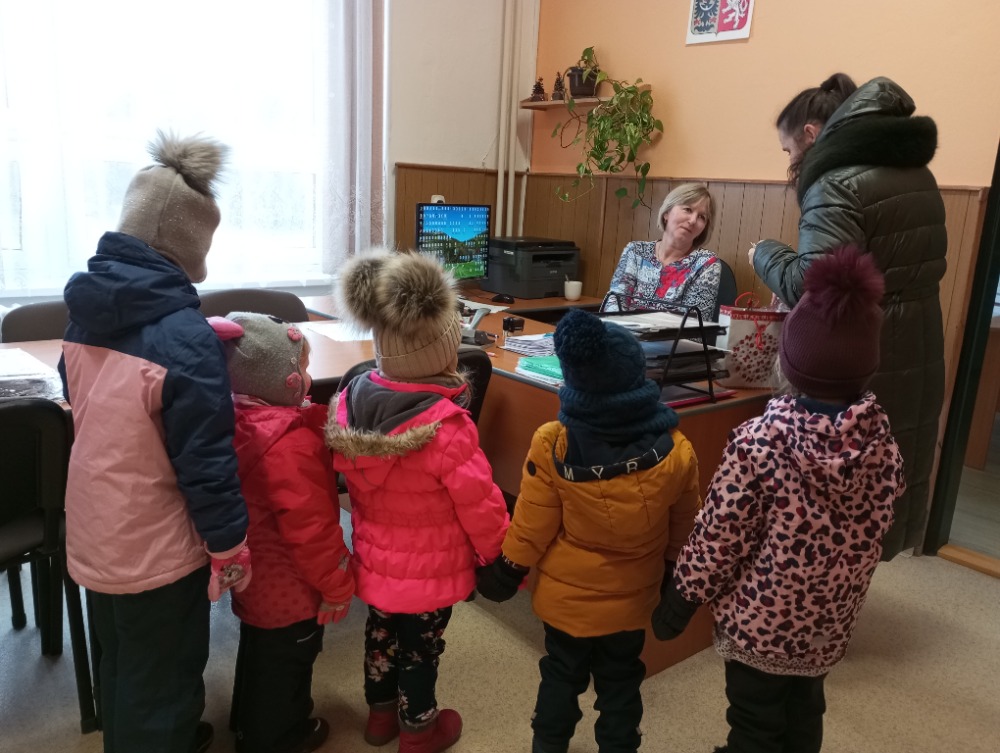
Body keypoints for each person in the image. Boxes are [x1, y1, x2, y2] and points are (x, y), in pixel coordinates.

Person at [653, 247, 906, 753]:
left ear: (789, 362)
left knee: (754, 721)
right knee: (805, 709)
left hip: (760, 626)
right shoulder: (884, 446)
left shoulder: (760, 442)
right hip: (828, 624)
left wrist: (681, 599)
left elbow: (719, 536)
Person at [59, 131, 250, 753]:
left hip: (94, 529)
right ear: (191, 249)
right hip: (156, 549)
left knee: (119, 658)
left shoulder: (81, 316)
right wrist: (229, 544)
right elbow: (207, 462)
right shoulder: (187, 339)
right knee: (165, 674)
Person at [477, 307, 701, 753]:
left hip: (567, 602)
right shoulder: (677, 449)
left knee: (561, 675)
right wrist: (677, 581)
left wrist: (507, 569)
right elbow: (685, 529)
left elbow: (532, 525)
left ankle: (548, 744)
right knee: (622, 682)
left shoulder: (552, 441)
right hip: (633, 600)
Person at [749, 73, 947, 558]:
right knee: (882, 477)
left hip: (861, 349)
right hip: (919, 337)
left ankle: (809, 593)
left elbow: (812, 284)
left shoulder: (836, 182)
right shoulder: (913, 171)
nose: (790, 162)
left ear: (811, 135)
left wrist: (765, 253)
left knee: (832, 495)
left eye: (788, 150)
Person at [324, 250, 510, 753]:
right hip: (432, 572)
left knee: (380, 640)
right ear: (443, 356)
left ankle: (380, 719)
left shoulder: (348, 407)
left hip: (376, 563)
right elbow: (481, 505)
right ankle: (419, 732)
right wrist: (500, 557)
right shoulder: (448, 429)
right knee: (420, 652)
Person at [207, 312, 355, 753]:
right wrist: (337, 583)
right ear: (282, 381)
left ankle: (248, 723)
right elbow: (312, 531)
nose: (309, 378)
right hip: (292, 587)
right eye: (303, 369)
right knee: (291, 661)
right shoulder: (288, 446)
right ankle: (279, 737)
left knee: (261, 653)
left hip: (258, 581)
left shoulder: (240, 421)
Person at [605, 182, 721, 322]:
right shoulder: (635, 251)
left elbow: (695, 324)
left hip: (673, 337)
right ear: (667, 213)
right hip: (621, 333)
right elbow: (613, 305)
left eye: (702, 217)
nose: (692, 220)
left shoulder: (706, 264)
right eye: (688, 209)